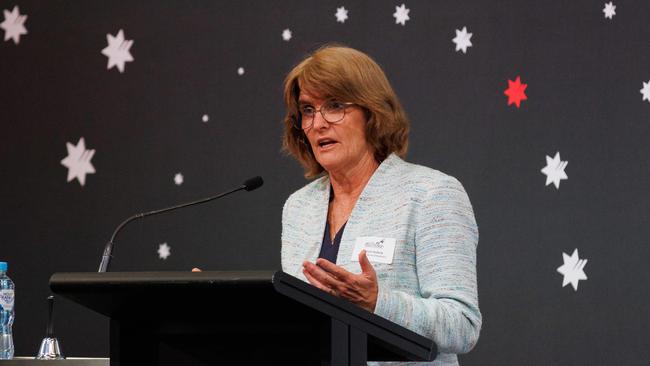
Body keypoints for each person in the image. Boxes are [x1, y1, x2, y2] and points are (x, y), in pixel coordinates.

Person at [280, 45, 481, 366]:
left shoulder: (431, 194)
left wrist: (378, 302)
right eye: (307, 110)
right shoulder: (298, 207)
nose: (318, 124)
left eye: (334, 106)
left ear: (372, 113)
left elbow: (462, 325)